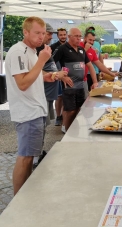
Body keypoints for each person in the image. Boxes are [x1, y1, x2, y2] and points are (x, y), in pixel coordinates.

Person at [5, 16, 55, 195]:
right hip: (27, 113)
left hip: (37, 110)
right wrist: (42, 60)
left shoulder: (32, 51)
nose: (41, 37)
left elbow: (33, 74)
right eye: (37, 33)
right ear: (25, 32)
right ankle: (18, 200)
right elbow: (23, 83)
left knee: (31, 156)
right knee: (25, 158)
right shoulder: (18, 51)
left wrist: (48, 75)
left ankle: (25, 194)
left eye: (43, 33)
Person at [33, 23, 68, 168]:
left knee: (44, 125)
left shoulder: (46, 48)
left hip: (48, 94)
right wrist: (55, 74)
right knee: (40, 125)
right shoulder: (38, 50)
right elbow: (35, 71)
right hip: (43, 94)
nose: (50, 36)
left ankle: (39, 151)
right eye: (48, 33)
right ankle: (35, 156)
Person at [53, 28, 98, 131]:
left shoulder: (82, 50)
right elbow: (51, 64)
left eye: (80, 36)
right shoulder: (62, 49)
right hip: (69, 86)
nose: (79, 38)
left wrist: (95, 82)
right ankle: (67, 130)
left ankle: (74, 131)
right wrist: (61, 76)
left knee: (78, 109)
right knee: (70, 110)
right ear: (69, 37)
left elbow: (90, 66)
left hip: (81, 85)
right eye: (76, 36)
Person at [80, 31, 117, 97]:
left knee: (84, 100)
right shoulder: (78, 46)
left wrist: (111, 74)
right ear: (85, 38)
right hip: (74, 80)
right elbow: (77, 60)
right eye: (90, 40)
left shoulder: (92, 50)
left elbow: (99, 64)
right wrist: (85, 49)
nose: (91, 42)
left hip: (84, 79)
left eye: (93, 40)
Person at [51, 27, 68, 126]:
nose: (63, 36)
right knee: (59, 97)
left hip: (68, 75)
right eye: (61, 35)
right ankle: (58, 116)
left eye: (64, 34)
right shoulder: (53, 47)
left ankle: (66, 116)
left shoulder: (69, 46)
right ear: (57, 36)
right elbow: (50, 62)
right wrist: (57, 73)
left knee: (67, 96)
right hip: (57, 74)